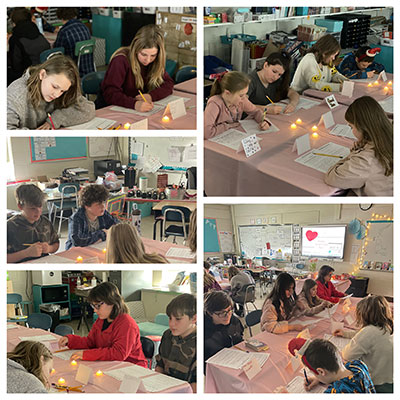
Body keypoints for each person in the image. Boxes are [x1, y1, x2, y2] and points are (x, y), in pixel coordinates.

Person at [58, 282, 147, 366]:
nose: (95, 310)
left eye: (98, 306)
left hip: (132, 368)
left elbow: (119, 353)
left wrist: (87, 354)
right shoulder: (102, 320)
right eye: (93, 306)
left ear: (112, 302)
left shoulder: (127, 324)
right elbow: (90, 342)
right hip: (112, 364)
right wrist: (70, 340)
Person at [324, 96, 393, 196]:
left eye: (351, 127)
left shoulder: (365, 160)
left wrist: (352, 155)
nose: (351, 131)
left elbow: (332, 177)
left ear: (363, 127)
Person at [96, 24, 173, 110]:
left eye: (153, 55)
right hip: (109, 109)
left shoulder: (155, 62)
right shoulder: (120, 60)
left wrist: (151, 96)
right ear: (135, 49)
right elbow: (110, 93)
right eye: (143, 54)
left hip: (133, 110)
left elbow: (168, 83)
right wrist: (134, 104)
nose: (147, 60)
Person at [7, 54, 95, 129]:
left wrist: (54, 120)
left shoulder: (60, 86)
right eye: (54, 87)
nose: (57, 95)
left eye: (62, 91)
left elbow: (88, 109)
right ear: (42, 75)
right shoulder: (15, 95)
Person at [334, 295, 393, 392]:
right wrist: (345, 333)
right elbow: (367, 335)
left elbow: (347, 355)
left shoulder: (369, 332)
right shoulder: (386, 326)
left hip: (376, 384)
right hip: (390, 380)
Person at [288, 338, 375, 393]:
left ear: (321, 371)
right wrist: (319, 379)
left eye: (314, 373)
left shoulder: (335, 392)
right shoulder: (358, 365)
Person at [204, 71, 271, 139]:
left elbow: (256, 112)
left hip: (232, 136)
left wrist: (263, 121)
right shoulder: (215, 104)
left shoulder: (242, 100)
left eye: (246, 94)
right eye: (241, 95)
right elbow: (206, 133)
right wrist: (230, 126)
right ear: (227, 93)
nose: (245, 97)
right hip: (215, 141)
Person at [7, 184, 59, 263]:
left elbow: (56, 244)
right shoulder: (9, 227)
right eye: (32, 208)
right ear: (20, 206)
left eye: (40, 207)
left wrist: (49, 248)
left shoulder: (45, 222)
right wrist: (26, 253)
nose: (38, 212)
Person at [156, 294, 197, 392]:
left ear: (194, 319)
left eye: (178, 319)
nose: (171, 324)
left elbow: (195, 387)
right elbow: (160, 366)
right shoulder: (167, 335)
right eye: (170, 318)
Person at [65, 184, 118, 250]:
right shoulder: (76, 218)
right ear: (87, 206)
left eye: (104, 202)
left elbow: (116, 227)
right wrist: (102, 233)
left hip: (96, 248)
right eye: (98, 204)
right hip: (76, 252)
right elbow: (78, 240)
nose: (103, 206)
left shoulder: (103, 213)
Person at [7, 7, 50, 85]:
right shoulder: (37, 32)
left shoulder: (16, 38)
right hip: (45, 72)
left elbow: (15, 65)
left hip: (28, 77)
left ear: (14, 21)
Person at [204, 291, 244, 365]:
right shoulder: (203, 331)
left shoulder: (235, 321)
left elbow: (240, 340)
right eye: (222, 313)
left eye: (229, 310)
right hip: (215, 365)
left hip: (236, 361)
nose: (227, 315)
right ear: (210, 313)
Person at [54, 8, 95, 77]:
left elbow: (57, 52)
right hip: (89, 69)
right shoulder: (84, 26)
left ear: (60, 15)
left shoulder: (64, 31)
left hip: (73, 72)